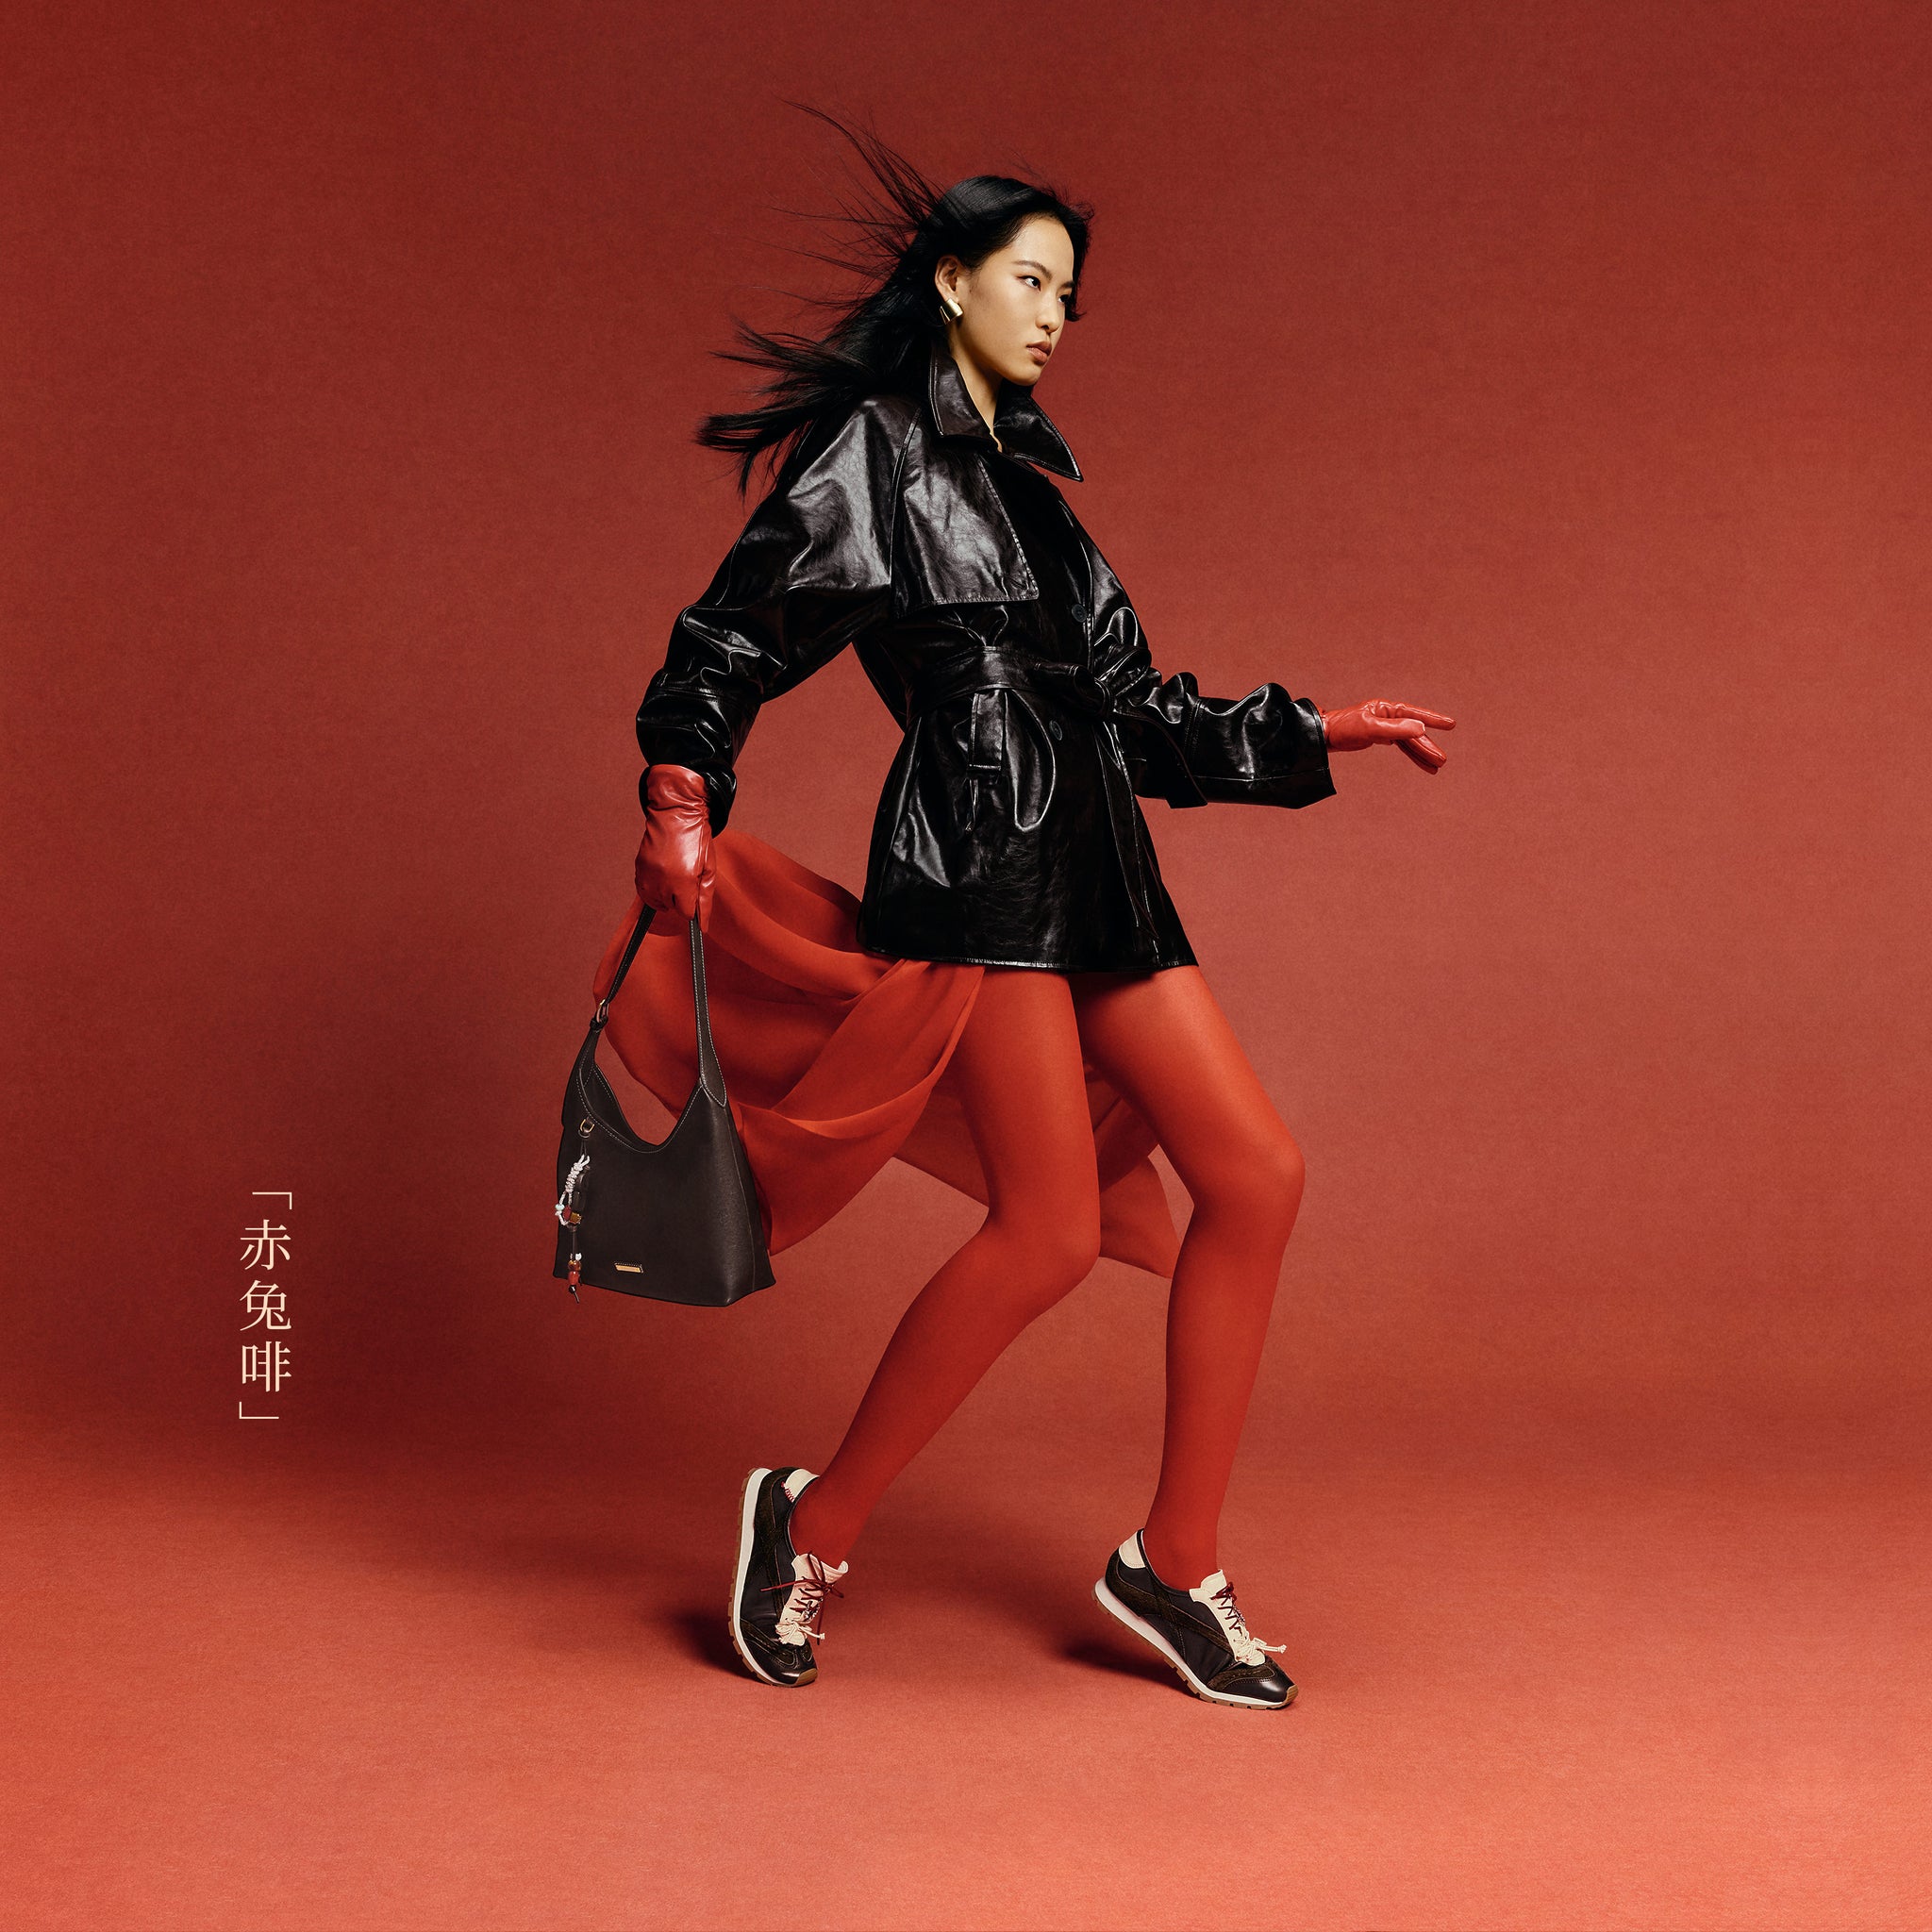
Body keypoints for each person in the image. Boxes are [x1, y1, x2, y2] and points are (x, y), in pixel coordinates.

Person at [630, 115, 1455, 1710]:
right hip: (982, 873)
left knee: (1257, 1176)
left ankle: (1172, 1562)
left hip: (1100, 873)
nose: (1055, 313)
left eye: (1070, 293)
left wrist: (1319, 730)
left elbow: (1137, 719)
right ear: (951, 283)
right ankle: (813, 1523)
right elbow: (730, 641)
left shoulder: (1039, 502)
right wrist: (680, 792)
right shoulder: (872, 457)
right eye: (1030, 280)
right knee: (1050, 1231)